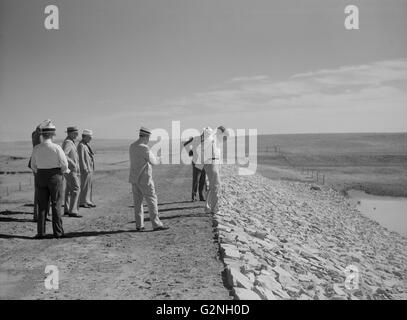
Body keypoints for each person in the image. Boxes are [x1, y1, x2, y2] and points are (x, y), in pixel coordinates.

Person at [30, 120, 68, 239]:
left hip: (40, 175)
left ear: (42, 134)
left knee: (42, 205)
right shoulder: (56, 148)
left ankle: (41, 232)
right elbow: (64, 164)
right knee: (56, 203)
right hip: (55, 176)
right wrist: (60, 172)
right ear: (52, 134)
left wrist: (40, 172)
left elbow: (33, 165)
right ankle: (58, 232)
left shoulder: (36, 148)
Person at [129, 127, 168, 231]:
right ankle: (156, 224)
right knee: (152, 201)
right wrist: (161, 158)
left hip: (134, 179)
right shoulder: (144, 148)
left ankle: (139, 225)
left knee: (138, 203)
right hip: (145, 180)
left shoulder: (132, 146)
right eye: (149, 137)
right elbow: (154, 162)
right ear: (146, 136)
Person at [186, 126, 229, 214]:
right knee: (216, 186)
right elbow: (226, 136)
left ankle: (207, 206)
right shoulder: (213, 139)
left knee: (212, 186)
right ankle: (214, 208)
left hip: (210, 163)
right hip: (212, 163)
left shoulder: (209, 139)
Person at [62, 126, 82, 218]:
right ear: (70, 133)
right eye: (75, 133)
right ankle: (73, 211)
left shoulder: (71, 142)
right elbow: (64, 155)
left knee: (69, 190)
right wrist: (72, 162)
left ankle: (67, 209)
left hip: (70, 170)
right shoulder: (68, 142)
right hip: (70, 170)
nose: (77, 135)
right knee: (76, 188)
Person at [183, 133, 208, 201]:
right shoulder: (196, 138)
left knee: (202, 180)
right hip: (196, 162)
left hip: (204, 162)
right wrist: (190, 152)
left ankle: (201, 196)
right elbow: (185, 144)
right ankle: (194, 197)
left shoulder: (208, 140)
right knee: (196, 180)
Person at [78, 129, 96, 208]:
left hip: (90, 168)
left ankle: (88, 200)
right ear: (84, 137)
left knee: (89, 186)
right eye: (89, 137)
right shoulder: (81, 145)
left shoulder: (85, 144)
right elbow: (81, 158)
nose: (91, 139)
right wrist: (84, 168)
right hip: (86, 169)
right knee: (84, 186)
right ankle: (82, 201)